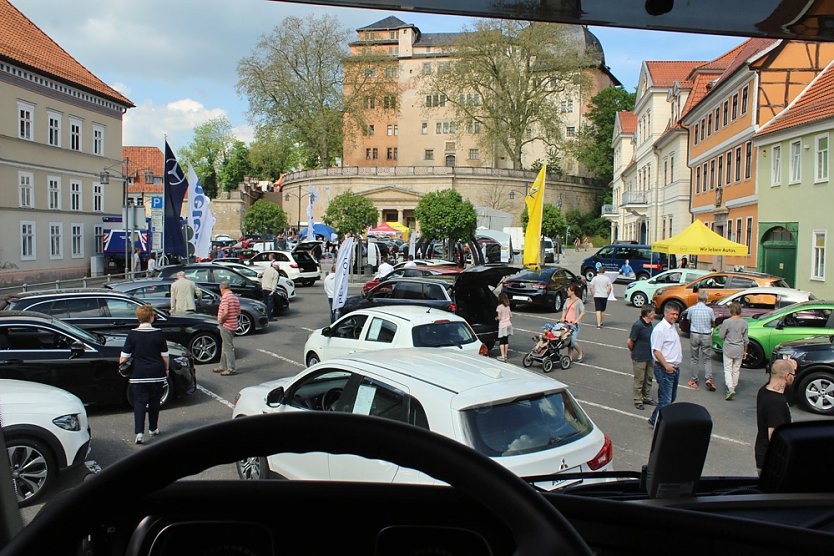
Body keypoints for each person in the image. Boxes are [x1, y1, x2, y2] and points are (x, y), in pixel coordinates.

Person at [120, 304, 168, 445]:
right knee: (154, 402)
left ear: (138, 318)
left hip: (138, 374)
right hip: (156, 372)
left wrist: (122, 369)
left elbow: (124, 356)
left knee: (139, 403)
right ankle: (153, 428)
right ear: (151, 317)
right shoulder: (158, 333)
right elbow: (165, 355)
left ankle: (139, 432)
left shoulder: (132, 334)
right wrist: (166, 370)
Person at [755, 358, 795, 474]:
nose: (794, 377)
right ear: (787, 376)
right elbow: (775, 438)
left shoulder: (764, 390)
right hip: (772, 463)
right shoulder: (775, 404)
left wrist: (788, 366)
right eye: (793, 375)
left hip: (763, 455)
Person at [648, 304, 683, 428]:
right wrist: (666, 366)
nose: (675, 316)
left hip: (674, 368)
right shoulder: (660, 329)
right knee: (665, 400)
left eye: (676, 314)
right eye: (672, 314)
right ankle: (658, 423)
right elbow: (656, 350)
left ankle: (654, 418)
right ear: (666, 313)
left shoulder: (672, 327)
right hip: (664, 369)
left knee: (671, 397)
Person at [687, 290, 717, 392]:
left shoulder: (692, 309)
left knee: (694, 358)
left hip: (694, 334)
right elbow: (713, 322)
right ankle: (708, 378)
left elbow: (689, 320)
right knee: (707, 358)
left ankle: (694, 379)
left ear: (697, 299)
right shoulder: (710, 310)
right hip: (706, 335)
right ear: (706, 299)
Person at [628, 305, 656, 410]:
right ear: (648, 314)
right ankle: (638, 400)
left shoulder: (649, 325)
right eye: (653, 313)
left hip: (649, 356)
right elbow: (630, 341)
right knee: (639, 379)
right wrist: (634, 351)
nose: (654, 314)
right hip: (639, 357)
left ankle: (646, 397)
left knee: (648, 377)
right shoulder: (638, 325)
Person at [719, 302, 749, 400]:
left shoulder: (726, 322)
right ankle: (734, 386)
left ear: (731, 310)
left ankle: (730, 387)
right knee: (736, 369)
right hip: (739, 349)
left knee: (728, 369)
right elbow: (746, 340)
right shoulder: (744, 323)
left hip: (728, 348)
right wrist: (745, 351)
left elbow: (721, 336)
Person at [214, 280, 240, 376]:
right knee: (224, 346)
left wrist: (221, 320)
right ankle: (222, 366)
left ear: (222, 289)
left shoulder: (225, 298)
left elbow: (225, 312)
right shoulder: (234, 297)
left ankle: (231, 368)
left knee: (228, 348)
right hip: (233, 324)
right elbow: (238, 312)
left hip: (226, 325)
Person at [561, 283, 585, 362]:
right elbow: (564, 309)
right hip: (567, 323)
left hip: (574, 325)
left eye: (568, 290)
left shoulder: (578, 301)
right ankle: (569, 357)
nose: (567, 292)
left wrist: (576, 320)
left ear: (573, 291)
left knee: (573, 341)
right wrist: (563, 317)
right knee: (568, 341)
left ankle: (580, 353)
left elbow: (583, 312)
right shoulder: (567, 300)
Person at [589, 265, 613, 329]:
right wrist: (608, 293)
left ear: (598, 271)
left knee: (598, 310)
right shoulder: (607, 278)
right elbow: (610, 287)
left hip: (597, 295)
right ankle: (601, 321)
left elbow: (591, 287)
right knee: (602, 310)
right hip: (604, 295)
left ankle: (598, 324)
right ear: (604, 271)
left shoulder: (595, 278)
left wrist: (593, 294)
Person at [495, 293, 513, 362]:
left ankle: (502, 356)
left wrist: (496, 318)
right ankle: (505, 355)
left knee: (501, 341)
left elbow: (499, 317)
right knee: (506, 340)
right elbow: (511, 316)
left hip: (502, 325)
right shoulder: (507, 306)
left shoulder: (499, 307)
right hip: (509, 324)